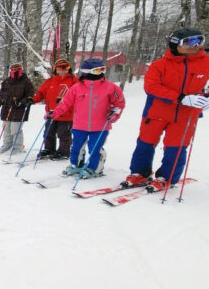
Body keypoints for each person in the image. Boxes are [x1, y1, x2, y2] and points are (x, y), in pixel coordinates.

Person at [124, 27, 209, 189]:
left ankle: (166, 177)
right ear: (175, 44)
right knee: (145, 143)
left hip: (186, 115)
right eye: (190, 41)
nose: (196, 45)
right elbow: (151, 87)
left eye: (200, 40)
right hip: (156, 112)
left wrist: (206, 98)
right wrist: (181, 98)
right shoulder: (159, 65)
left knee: (176, 147)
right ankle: (140, 173)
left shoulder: (206, 62)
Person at [48, 58, 126, 178]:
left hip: (100, 125)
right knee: (77, 147)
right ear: (86, 71)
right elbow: (65, 103)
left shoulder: (111, 87)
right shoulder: (76, 88)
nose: (100, 73)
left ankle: (95, 169)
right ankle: (76, 165)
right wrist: (55, 113)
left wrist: (115, 113)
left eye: (102, 69)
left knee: (95, 148)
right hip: (80, 124)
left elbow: (119, 103)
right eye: (96, 70)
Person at [32, 58, 79, 159]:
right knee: (48, 133)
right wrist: (32, 100)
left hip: (67, 114)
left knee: (64, 134)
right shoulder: (50, 81)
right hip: (51, 113)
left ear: (69, 69)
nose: (62, 70)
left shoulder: (74, 81)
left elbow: (79, 95)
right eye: (59, 68)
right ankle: (49, 149)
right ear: (55, 69)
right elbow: (41, 93)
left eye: (65, 68)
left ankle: (64, 152)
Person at [0, 62, 36, 153]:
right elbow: (2, 93)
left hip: (19, 109)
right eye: (13, 70)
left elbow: (30, 95)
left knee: (15, 129)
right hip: (7, 108)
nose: (15, 71)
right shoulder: (6, 81)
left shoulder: (26, 81)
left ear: (21, 70)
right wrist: (1, 100)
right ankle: (7, 145)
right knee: (6, 128)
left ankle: (18, 147)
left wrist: (20, 102)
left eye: (17, 69)